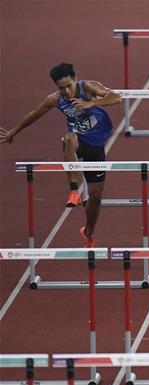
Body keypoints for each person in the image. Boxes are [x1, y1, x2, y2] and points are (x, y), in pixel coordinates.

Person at [0, 63, 120, 247]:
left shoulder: (88, 87)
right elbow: (33, 114)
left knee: (95, 197)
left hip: (96, 144)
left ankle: (88, 232)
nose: (66, 91)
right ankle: (73, 190)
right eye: (61, 88)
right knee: (69, 139)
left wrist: (90, 103)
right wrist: (12, 133)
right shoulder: (55, 99)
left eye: (69, 86)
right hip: (78, 141)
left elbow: (116, 97)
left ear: (75, 79)